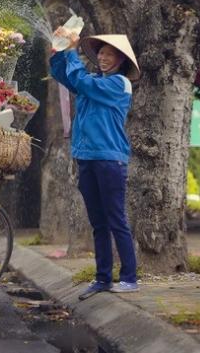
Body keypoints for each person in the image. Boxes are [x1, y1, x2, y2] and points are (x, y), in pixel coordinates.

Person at [50, 28, 141, 300]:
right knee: (98, 223)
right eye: (100, 52)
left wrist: (72, 52)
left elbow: (82, 82)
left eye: (109, 54)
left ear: (120, 60)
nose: (102, 57)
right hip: (86, 158)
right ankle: (102, 278)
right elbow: (64, 76)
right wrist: (58, 52)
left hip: (110, 159)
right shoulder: (90, 79)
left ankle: (129, 278)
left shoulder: (118, 84)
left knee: (116, 220)